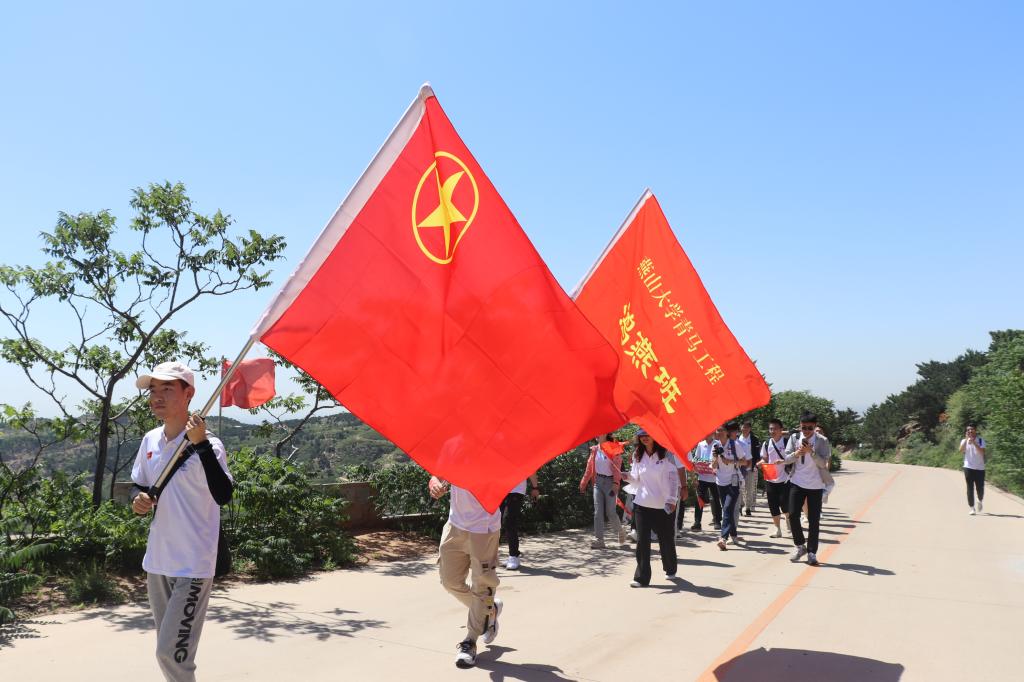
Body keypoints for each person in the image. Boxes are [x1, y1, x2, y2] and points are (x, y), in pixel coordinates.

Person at [129, 362, 233, 682]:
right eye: (153, 390)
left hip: (193, 564)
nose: (156, 397)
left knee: (171, 654)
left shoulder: (210, 446)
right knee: (174, 651)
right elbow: (139, 484)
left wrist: (200, 443)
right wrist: (139, 499)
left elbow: (223, 494)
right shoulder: (150, 441)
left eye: (167, 389)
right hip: (158, 561)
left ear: (188, 394)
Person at [428, 476, 502, 669]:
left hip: (484, 527)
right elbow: (437, 474)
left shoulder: (498, 451)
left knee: (482, 586)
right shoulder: (455, 446)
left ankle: (470, 641)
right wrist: (435, 484)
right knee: (449, 581)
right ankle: (489, 610)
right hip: (455, 525)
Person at [622, 429, 679, 587]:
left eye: (648, 434)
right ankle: (641, 577)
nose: (645, 438)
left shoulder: (666, 454)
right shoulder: (637, 455)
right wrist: (626, 476)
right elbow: (636, 479)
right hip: (642, 504)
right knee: (642, 541)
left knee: (666, 540)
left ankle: (670, 568)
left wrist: (672, 500)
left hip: (663, 506)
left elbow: (673, 479)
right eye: (642, 435)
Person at [783, 412, 831, 566]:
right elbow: (786, 459)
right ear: (800, 426)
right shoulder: (794, 438)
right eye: (804, 427)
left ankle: (812, 552)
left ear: (815, 426)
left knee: (814, 520)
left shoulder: (822, 441)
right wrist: (797, 453)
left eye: (810, 428)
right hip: (797, 482)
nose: (806, 431)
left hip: (815, 485)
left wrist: (812, 452)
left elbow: (823, 464)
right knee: (792, 514)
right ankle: (800, 546)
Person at [580, 434, 628, 549]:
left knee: (610, 512)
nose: (596, 434)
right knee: (598, 512)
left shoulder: (613, 449)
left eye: (599, 432)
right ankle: (599, 540)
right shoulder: (595, 450)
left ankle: (620, 531)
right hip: (598, 483)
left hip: (610, 483)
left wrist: (616, 483)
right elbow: (589, 467)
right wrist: (583, 483)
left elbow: (617, 467)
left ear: (606, 434)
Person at [714, 422, 748, 550]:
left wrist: (731, 461)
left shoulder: (735, 444)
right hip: (720, 481)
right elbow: (713, 465)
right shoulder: (716, 446)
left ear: (727, 432)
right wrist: (715, 457)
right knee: (726, 508)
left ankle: (723, 538)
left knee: (727, 509)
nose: (720, 432)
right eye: (717, 430)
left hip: (734, 480)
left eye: (722, 430)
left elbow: (745, 462)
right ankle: (734, 534)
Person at [758, 419, 790, 538]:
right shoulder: (767, 443)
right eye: (771, 429)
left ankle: (788, 519)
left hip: (785, 478)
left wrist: (782, 461)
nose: (772, 431)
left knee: (784, 503)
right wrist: (760, 463)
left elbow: (794, 458)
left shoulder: (787, 443)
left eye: (775, 428)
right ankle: (777, 529)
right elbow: (765, 459)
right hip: (770, 478)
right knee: (773, 505)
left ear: (781, 429)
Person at [500, 472, 540, 569]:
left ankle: (514, 556)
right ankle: (490, 557)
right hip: (500, 488)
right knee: (496, 522)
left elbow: (531, 469)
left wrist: (535, 488)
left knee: (509, 521)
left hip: (516, 490)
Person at [687, 434, 722, 532]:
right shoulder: (700, 444)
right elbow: (696, 458)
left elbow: (720, 459)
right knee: (699, 500)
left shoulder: (717, 444)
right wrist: (698, 464)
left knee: (715, 499)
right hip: (702, 476)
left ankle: (717, 521)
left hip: (714, 477)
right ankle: (697, 522)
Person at [960, 424, 987, 515]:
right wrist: (966, 440)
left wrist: (974, 443)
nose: (970, 431)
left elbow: (982, 452)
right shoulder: (964, 441)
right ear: (966, 432)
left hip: (980, 468)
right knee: (970, 488)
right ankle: (972, 508)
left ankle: (980, 500)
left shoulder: (980, 440)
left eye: (972, 429)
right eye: (968, 430)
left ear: (975, 431)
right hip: (968, 467)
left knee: (980, 488)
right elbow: (960, 450)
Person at [738, 420, 761, 516]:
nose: (745, 429)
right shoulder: (736, 439)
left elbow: (757, 454)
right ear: (741, 428)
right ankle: (740, 505)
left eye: (747, 427)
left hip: (750, 467)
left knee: (749, 488)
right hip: (738, 468)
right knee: (739, 488)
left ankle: (748, 508)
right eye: (744, 427)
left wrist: (755, 465)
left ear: (750, 429)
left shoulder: (754, 439)